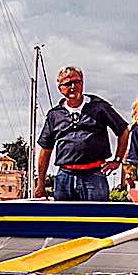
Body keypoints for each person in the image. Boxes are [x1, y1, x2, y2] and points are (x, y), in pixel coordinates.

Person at [34, 65, 128, 200]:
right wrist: (41, 184)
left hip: (95, 176)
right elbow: (45, 149)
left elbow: (124, 129)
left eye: (76, 82)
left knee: (97, 218)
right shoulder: (54, 115)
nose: (73, 86)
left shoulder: (99, 107)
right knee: (64, 219)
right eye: (67, 83)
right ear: (60, 88)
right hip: (64, 178)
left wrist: (117, 160)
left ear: (82, 83)